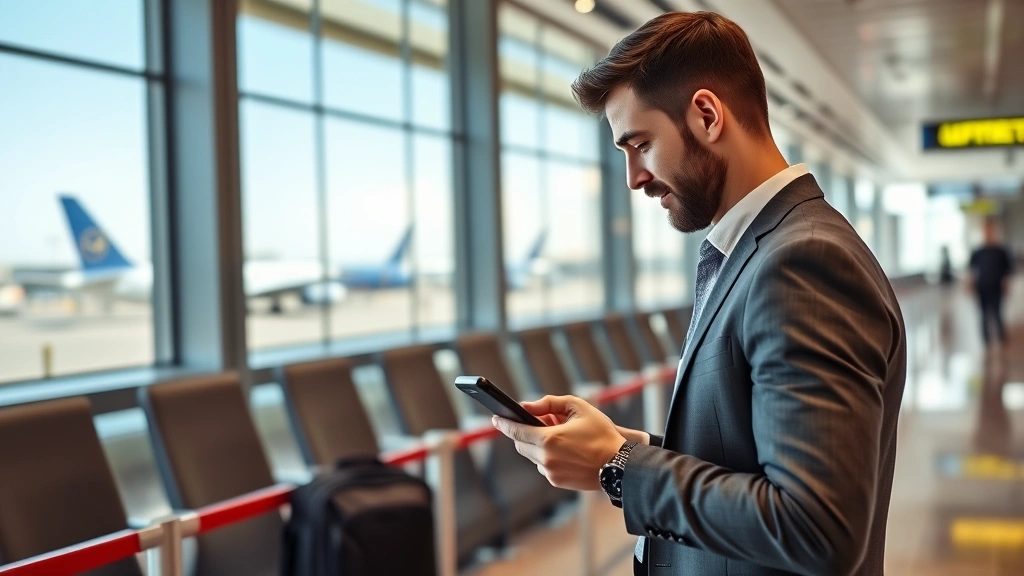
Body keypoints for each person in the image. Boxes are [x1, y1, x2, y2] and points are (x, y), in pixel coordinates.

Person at [491, 11, 906, 576]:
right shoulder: (761, 250)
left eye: (639, 144)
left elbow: (818, 526)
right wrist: (625, 447)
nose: (635, 177)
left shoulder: (803, 261)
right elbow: (755, 457)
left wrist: (619, 466)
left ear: (707, 115)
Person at [969, 218, 1013, 347]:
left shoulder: (1001, 251)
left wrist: (1006, 285)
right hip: (982, 288)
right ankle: (986, 342)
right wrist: (970, 285)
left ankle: (1001, 340)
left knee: (997, 314)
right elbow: (971, 271)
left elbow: (1007, 272)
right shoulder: (977, 252)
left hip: (997, 288)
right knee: (983, 315)